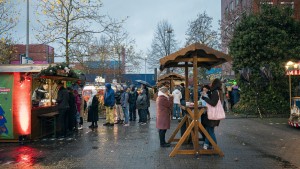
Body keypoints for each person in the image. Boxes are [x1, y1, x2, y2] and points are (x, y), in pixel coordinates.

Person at [201, 78, 222, 150]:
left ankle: (214, 146)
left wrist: (205, 98)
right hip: (213, 114)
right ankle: (207, 144)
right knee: (209, 129)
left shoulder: (215, 92)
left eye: (212, 83)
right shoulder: (217, 91)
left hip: (213, 114)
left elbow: (213, 103)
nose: (210, 84)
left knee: (210, 130)